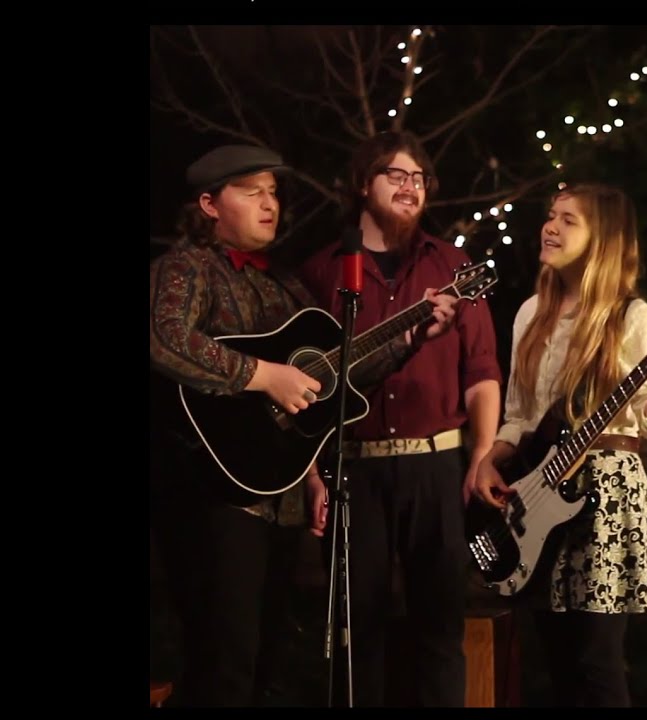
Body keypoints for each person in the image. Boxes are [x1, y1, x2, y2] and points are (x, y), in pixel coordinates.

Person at [298, 130, 502, 707]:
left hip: (435, 465)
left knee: (440, 630)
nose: (411, 187)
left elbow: (482, 370)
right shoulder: (322, 271)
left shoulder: (454, 265)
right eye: (397, 174)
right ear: (364, 184)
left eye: (420, 178)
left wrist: (481, 454)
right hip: (354, 470)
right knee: (355, 634)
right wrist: (312, 475)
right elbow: (306, 384)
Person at [472, 183, 647, 707]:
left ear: (602, 239)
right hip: (539, 493)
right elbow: (520, 415)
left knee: (596, 659)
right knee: (558, 662)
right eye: (552, 215)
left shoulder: (632, 317)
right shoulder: (530, 313)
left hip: (606, 497)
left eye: (569, 220)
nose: (551, 227)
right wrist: (490, 459)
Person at [149, 144, 329, 706]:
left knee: (268, 662)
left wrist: (314, 473)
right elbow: (165, 338)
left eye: (273, 192)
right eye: (252, 192)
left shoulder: (285, 284)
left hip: (281, 495)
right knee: (223, 663)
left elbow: (311, 388)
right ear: (209, 204)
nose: (270, 204)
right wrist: (261, 374)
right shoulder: (187, 266)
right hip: (212, 495)